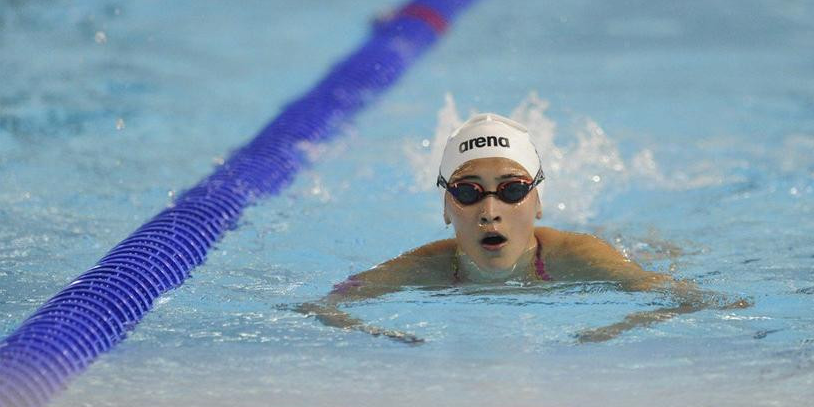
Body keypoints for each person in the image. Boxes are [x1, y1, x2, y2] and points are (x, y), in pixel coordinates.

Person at [296, 113, 747, 343]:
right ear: (446, 207)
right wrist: (382, 336)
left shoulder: (578, 257)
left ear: (538, 200)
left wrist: (618, 328)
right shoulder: (426, 267)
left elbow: (702, 299)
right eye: (468, 192)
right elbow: (320, 306)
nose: (490, 211)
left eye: (511, 190)